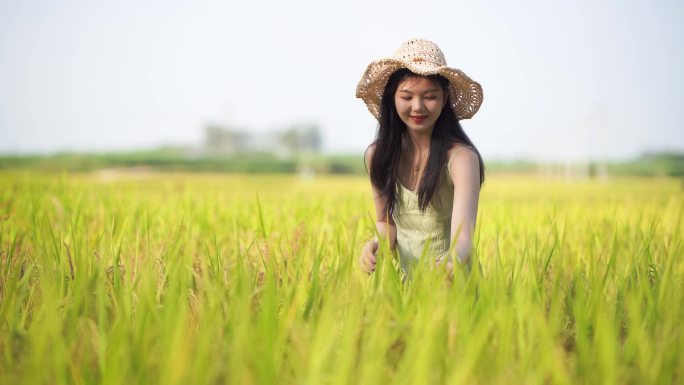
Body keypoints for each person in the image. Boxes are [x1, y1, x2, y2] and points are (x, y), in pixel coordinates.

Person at [356, 38, 485, 275]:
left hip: (453, 284)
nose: (418, 107)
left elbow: (463, 238)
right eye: (406, 97)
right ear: (392, 98)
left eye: (429, 96)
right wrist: (375, 245)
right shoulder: (379, 156)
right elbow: (386, 223)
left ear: (445, 98)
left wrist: (449, 264)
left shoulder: (461, 159)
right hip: (407, 289)